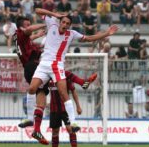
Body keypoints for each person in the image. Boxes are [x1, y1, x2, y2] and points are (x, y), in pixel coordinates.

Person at [28, 8, 118, 144]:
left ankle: (74, 122)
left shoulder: (71, 34)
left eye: (67, 24)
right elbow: (37, 10)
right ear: (60, 21)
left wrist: (107, 33)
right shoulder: (51, 22)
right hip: (43, 64)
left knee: (64, 94)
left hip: (57, 66)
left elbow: (89, 38)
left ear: (70, 26)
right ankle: (33, 124)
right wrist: (54, 14)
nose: (64, 25)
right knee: (31, 89)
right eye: (63, 22)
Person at [14, 16, 98, 141]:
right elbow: (30, 29)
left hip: (30, 68)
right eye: (27, 24)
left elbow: (28, 39)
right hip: (33, 66)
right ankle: (82, 82)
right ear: (21, 27)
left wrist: (38, 36)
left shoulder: (20, 37)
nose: (30, 26)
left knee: (41, 95)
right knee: (57, 72)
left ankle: (36, 128)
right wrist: (46, 25)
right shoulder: (22, 32)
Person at [50, 80, 81, 147]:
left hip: (65, 108)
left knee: (70, 129)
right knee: (55, 131)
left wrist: (78, 106)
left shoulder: (66, 77)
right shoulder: (49, 76)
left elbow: (73, 91)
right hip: (54, 109)